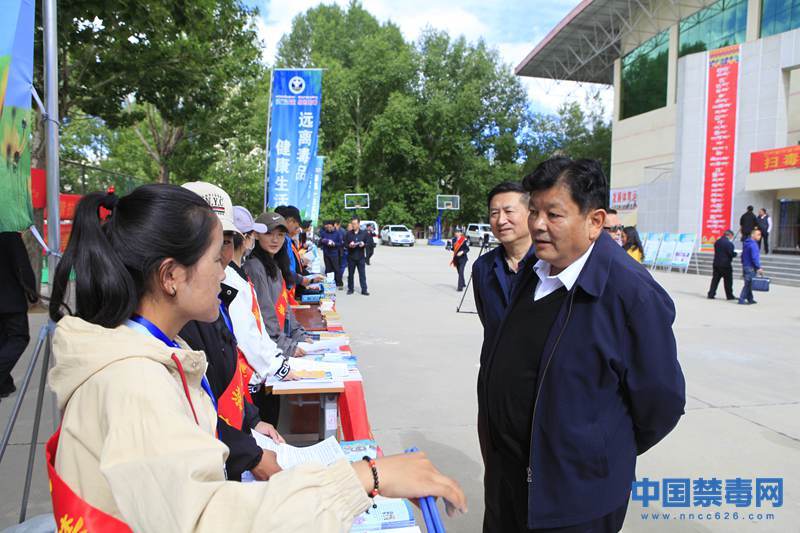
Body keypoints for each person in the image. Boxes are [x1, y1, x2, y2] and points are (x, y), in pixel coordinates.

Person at [47, 184, 466, 532]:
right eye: (216, 258)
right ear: (171, 275)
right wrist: (367, 476)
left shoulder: (152, 356)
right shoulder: (135, 383)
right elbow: (206, 520)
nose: (225, 272)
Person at [478, 158, 685, 532]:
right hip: (507, 481)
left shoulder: (631, 295)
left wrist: (593, 452)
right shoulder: (534, 269)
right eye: (534, 211)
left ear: (595, 221)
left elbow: (662, 403)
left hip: (573, 501)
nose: (538, 224)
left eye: (553, 214)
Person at [176, 182, 285, 482]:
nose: (224, 261)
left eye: (227, 241)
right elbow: (192, 420)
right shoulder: (169, 331)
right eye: (211, 247)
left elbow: (226, 377)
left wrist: (252, 419)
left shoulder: (214, 300)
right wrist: (249, 453)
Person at [225, 205, 295, 426]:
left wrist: (276, 359)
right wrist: (278, 365)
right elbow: (249, 333)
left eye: (280, 235)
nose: (274, 239)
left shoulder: (239, 274)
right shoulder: (234, 277)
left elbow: (257, 327)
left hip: (257, 368)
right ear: (248, 239)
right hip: (248, 374)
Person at [472, 179, 540, 361]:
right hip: (495, 369)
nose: (501, 220)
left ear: (531, 213)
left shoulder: (551, 263)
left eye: (509, 212)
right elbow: (488, 321)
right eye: (494, 213)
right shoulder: (482, 267)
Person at [246, 212, 310, 358]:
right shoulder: (254, 267)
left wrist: (298, 333)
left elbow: (285, 306)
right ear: (256, 235)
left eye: (280, 235)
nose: (275, 240)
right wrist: (286, 346)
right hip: (269, 348)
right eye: (269, 233)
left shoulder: (276, 265)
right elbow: (264, 312)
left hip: (280, 342)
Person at [0, 231, 38, 400]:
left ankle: (5, 384)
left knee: (3, 340)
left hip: (7, 301)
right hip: (10, 300)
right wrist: (32, 292)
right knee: (19, 337)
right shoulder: (10, 236)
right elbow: (22, 266)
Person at [707, 229, 737, 300]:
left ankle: (711, 294)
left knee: (715, 280)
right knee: (728, 281)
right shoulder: (729, 244)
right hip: (726, 264)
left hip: (716, 263)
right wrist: (735, 254)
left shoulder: (717, 242)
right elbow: (731, 253)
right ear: (730, 235)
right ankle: (729, 295)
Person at [344, 216, 370, 295]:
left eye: (355, 224)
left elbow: (369, 243)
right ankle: (350, 289)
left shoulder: (364, 233)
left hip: (361, 257)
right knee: (350, 274)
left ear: (358, 224)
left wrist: (363, 244)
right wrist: (349, 245)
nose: (353, 225)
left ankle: (364, 290)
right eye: (352, 224)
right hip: (351, 257)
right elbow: (345, 244)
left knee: (362, 274)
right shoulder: (348, 233)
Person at [739, 227, 764, 305]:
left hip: (746, 266)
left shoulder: (746, 243)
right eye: (758, 235)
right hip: (751, 267)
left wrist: (743, 264)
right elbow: (754, 257)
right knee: (748, 284)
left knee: (749, 283)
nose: (760, 236)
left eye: (760, 235)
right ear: (753, 235)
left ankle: (750, 299)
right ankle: (741, 299)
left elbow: (742, 255)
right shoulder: (753, 244)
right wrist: (758, 267)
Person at [319, 220, 344, 288]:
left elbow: (341, 244)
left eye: (330, 227)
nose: (329, 229)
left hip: (334, 254)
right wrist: (323, 241)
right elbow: (320, 242)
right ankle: (329, 283)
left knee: (336, 268)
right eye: (328, 227)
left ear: (333, 226)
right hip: (326, 253)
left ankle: (339, 283)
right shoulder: (324, 233)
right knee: (328, 269)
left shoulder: (337, 233)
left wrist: (334, 244)